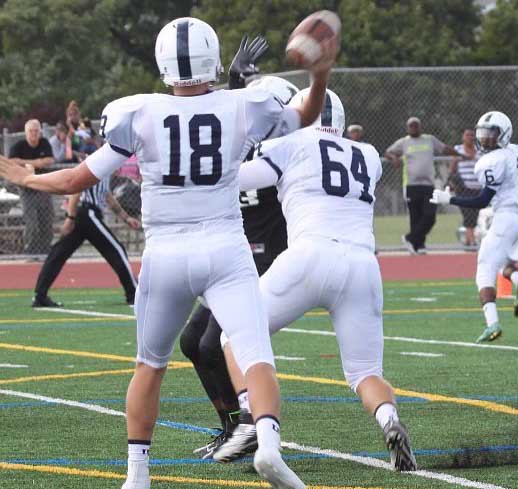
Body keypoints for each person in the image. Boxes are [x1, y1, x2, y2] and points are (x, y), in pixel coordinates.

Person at [0, 16, 333, 489]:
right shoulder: (244, 105)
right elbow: (303, 117)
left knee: (150, 365)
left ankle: (137, 474)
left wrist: (27, 178)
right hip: (224, 245)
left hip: (166, 252)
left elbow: (77, 180)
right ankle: (270, 446)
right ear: (213, 59)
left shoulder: (137, 112)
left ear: (163, 65)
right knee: (254, 354)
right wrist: (319, 77)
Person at [215, 89, 417, 472]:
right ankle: (389, 420)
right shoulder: (369, 154)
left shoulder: (290, 143)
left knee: (234, 334)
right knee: (365, 373)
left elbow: (239, 180)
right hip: (362, 264)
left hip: (310, 255)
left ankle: (251, 418)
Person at [180, 39, 296, 460]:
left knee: (214, 344)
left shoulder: (289, 150)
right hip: (234, 256)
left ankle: (251, 424)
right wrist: (232, 81)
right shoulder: (243, 142)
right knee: (193, 342)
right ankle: (231, 426)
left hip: (266, 262)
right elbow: (216, 119)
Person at [430, 111, 518, 343]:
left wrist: (448, 200)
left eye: (491, 135)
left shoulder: (491, 162)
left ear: (503, 135)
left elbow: (482, 201)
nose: (484, 140)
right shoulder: (515, 151)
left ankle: (492, 324)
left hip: (507, 217)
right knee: (504, 263)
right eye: (482, 135)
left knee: (484, 267)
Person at [31, 176, 140, 308]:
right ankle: (133, 293)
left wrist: (126, 218)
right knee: (116, 250)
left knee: (58, 254)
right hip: (87, 213)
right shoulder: (96, 164)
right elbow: (76, 189)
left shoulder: (104, 170)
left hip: (84, 215)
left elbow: (107, 196)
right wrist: (70, 218)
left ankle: (40, 295)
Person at [385, 117, 458, 254]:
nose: (413, 128)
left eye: (416, 126)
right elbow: (388, 152)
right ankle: (418, 246)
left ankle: (410, 238)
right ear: (407, 128)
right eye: (411, 126)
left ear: (420, 127)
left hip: (428, 184)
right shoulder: (404, 142)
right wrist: (394, 158)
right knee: (415, 217)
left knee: (430, 215)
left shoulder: (429, 139)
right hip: (411, 185)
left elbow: (444, 148)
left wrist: (460, 155)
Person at [8, 119, 55, 255]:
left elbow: (49, 161)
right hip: (26, 188)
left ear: (40, 132)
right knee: (32, 222)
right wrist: (35, 163)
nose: (34, 134)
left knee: (46, 220)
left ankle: (45, 250)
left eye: (36, 131)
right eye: (31, 131)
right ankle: (31, 251)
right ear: (26, 132)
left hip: (44, 186)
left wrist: (28, 164)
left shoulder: (44, 143)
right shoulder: (18, 146)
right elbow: (12, 161)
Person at [449, 129, 481, 248]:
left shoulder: (479, 150)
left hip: (477, 187)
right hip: (462, 187)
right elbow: (451, 168)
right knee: (467, 213)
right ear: (463, 137)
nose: (470, 137)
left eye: (472, 135)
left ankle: (468, 241)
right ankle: (472, 240)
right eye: (467, 135)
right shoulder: (457, 149)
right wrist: (457, 159)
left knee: (474, 213)